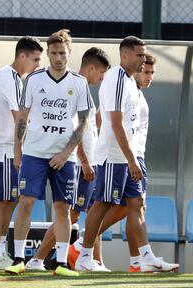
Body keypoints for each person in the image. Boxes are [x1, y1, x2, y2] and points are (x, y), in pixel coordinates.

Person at [74, 36, 179, 272]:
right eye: (139, 55)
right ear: (125, 56)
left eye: (144, 55)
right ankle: (84, 253)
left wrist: (134, 158)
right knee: (102, 203)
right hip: (115, 157)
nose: (143, 60)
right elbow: (115, 123)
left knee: (136, 203)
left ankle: (145, 256)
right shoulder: (117, 78)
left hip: (130, 156)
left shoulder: (132, 82)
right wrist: (131, 160)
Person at [5, 29, 92, 277]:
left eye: (61, 52)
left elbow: (84, 122)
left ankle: (62, 263)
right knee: (26, 202)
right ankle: (19, 258)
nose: (57, 57)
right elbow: (22, 116)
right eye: (53, 52)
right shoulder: (34, 79)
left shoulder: (79, 82)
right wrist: (17, 149)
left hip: (64, 157)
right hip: (34, 152)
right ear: (48, 53)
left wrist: (66, 153)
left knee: (63, 208)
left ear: (69, 53)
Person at [24, 47, 111, 271]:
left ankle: (93, 259)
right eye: (101, 73)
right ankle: (38, 258)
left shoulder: (83, 89)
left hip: (89, 162)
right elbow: (75, 131)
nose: (101, 79)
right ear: (91, 68)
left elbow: (89, 128)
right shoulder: (73, 84)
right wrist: (84, 161)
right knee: (70, 212)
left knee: (91, 212)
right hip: (81, 163)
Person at [0, 36, 43, 269]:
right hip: (3, 149)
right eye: (35, 59)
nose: (38, 64)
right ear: (22, 56)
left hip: (4, 147)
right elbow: (19, 117)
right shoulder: (9, 78)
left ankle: (0, 251)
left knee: (10, 200)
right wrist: (20, 151)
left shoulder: (14, 77)